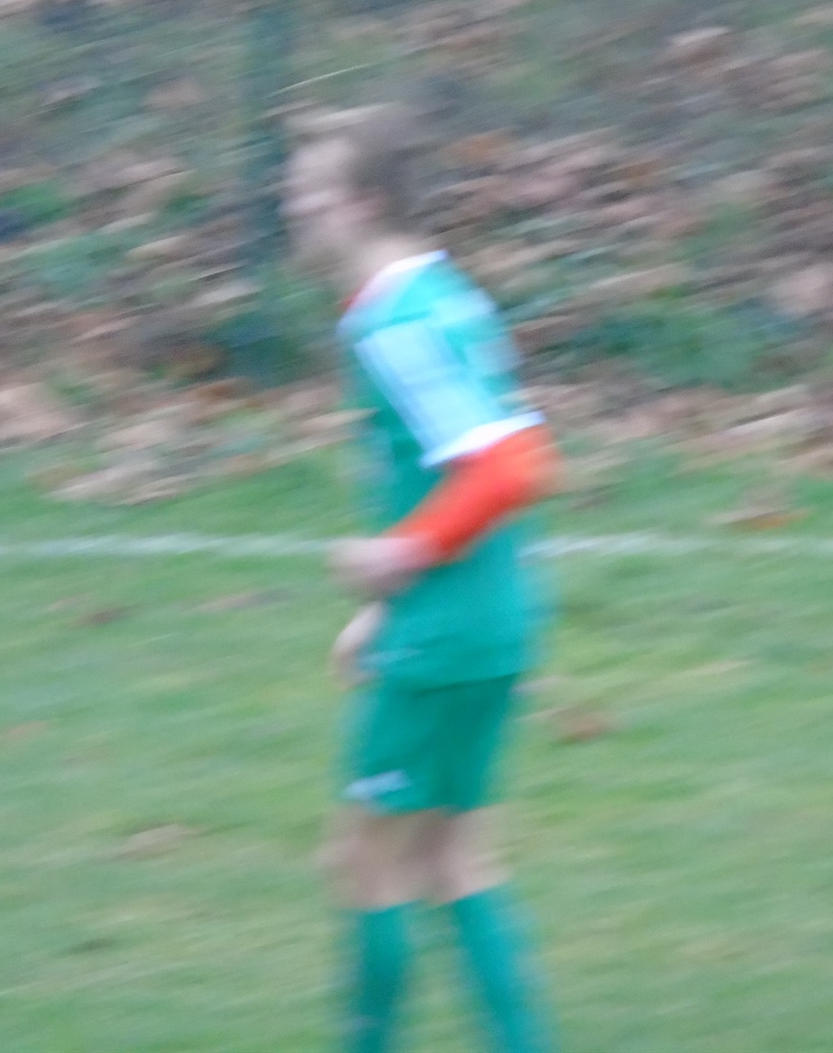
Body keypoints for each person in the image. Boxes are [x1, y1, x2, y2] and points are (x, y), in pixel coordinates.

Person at [282, 103, 560, 1053]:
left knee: (365, 863)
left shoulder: (396, 324)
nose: (293, 207)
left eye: (310, 191)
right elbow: (474, 457)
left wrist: (400, 556)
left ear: (363, 202)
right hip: (487, 616)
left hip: (446, 631)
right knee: (453, 857)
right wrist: (385, 608)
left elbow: (515, 466)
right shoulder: (445, 295)